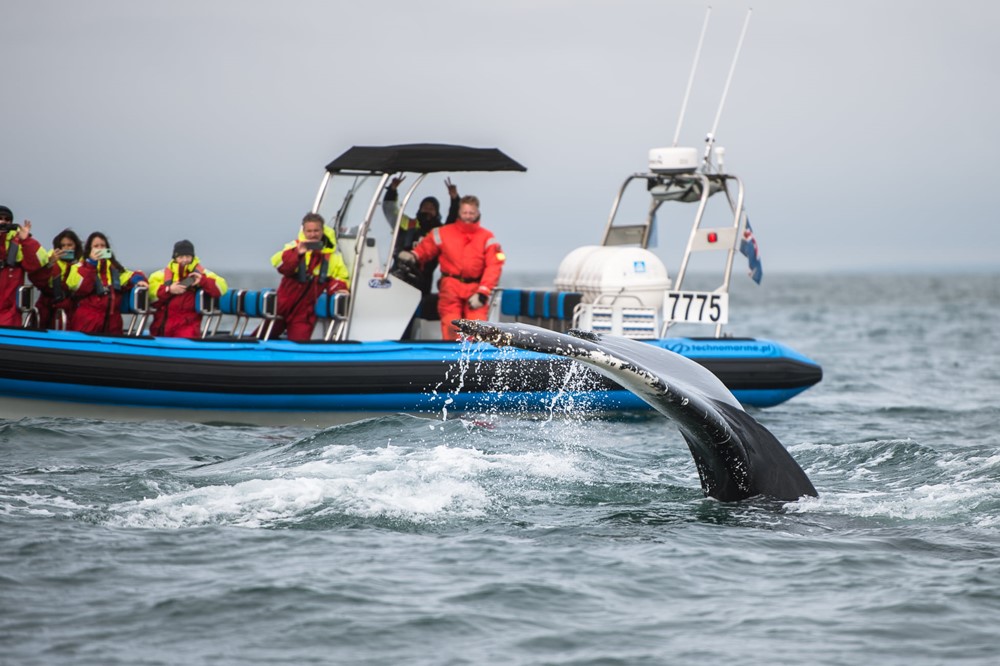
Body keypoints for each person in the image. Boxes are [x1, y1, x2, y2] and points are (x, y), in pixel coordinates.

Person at [397, 195, 505, 341]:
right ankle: (451, 360)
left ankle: (474, 361)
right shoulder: (443, 232)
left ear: (477, 213)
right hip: (450, 287)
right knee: (451, 327)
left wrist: (483, 292)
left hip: (475, 289)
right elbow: (426, 248)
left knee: (477, 329)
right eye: (465, 213)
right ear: (459, 212)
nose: (468, 216)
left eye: (471, 213)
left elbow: (494, 266)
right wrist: (413, 255)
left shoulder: (487, 237)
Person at [270, 213, 350, 341]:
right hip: (282, 306)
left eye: (316, 230)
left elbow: (341, 277)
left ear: (322, 231)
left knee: (300, 344)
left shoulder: (333, 256)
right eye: (309, 231)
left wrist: (338, 288)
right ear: (304, 231)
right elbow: (282, 267)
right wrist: (297, 253)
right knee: (263, 336)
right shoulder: (293, 247)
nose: (313, 234)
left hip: (304, 313)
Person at [66, 232, 148, 334]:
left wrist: (139, 280)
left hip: (113, 322)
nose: (100, 249)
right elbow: (81, 288)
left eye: (102, 246)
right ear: (89, 250)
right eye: (96, 246)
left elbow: (130, 275)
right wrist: (91, 264)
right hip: (88, 321)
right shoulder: (79, 267)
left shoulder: (114, 268)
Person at [148, 239, 228, 338]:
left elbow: (222, 287)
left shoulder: (202, 273)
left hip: (187, 329)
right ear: (175, 258)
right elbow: (151, 296)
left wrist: (203, 281)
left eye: (188, 256)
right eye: (181, 257)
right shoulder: (159, 275)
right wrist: (169, 290)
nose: (185, 260)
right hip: (160, 328)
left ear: (192, 257)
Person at [0, 205, 48, 327]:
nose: (3, 222)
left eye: (7, 219)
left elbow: (39, 262)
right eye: (0, 218)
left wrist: (26, 240)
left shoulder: (18, 243)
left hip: (9, 313)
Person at [29, 229, 84, 329]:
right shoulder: (48, 259)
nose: (66, 248)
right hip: (46, 305)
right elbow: (37, 280)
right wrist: (50, 263)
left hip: (71, 308)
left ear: (76, 246)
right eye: (63, 245)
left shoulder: (82, 264)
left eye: (69, 245)